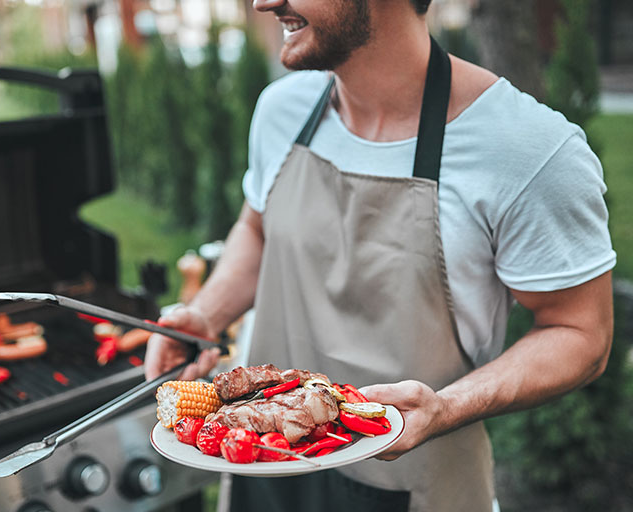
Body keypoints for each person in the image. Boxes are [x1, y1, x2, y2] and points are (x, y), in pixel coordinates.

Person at [145, 0, 616, 510]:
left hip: (416, 482)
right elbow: (258, 228)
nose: (263, 2)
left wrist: (448, 406)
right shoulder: (281, 109)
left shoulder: (527, 149)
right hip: (261, 460)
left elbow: (581, 333)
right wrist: (207, 315)